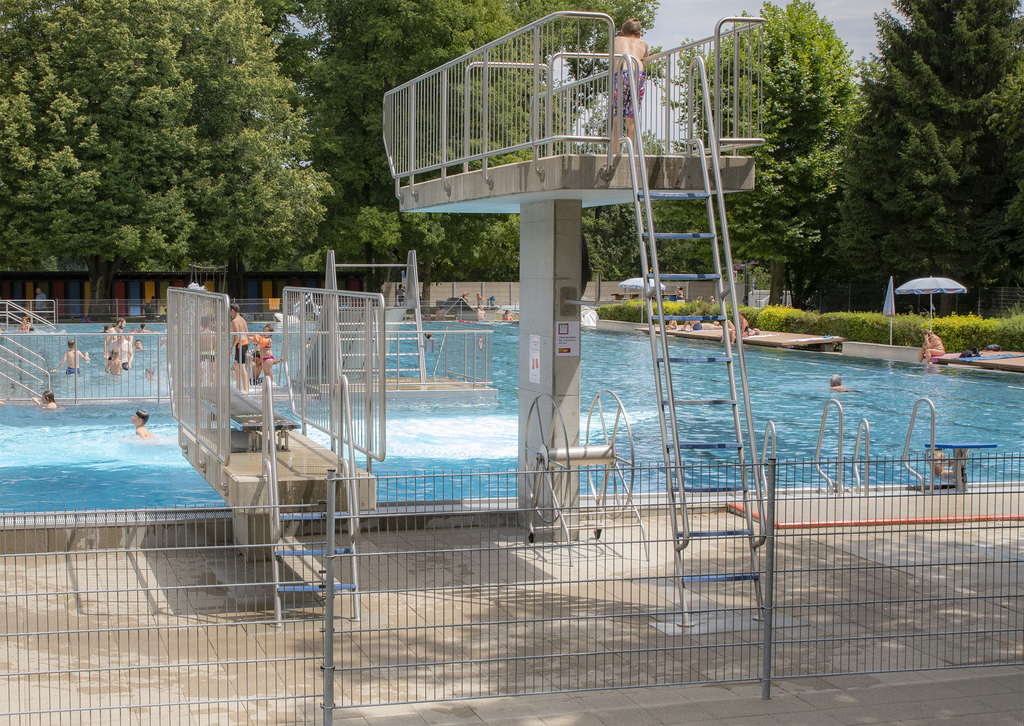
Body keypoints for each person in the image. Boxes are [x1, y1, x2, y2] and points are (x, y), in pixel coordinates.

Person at [612, 18, 648, 145]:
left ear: (622, 32)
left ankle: (615, 152)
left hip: (621, 75)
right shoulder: (642, 43)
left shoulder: (616, 40)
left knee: (616, 117)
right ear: (639, 35)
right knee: (631, 117)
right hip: (638, 75)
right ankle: (631, 152)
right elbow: (645, 59)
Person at [229, 302, 249, 389]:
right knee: (236, 365)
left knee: (242, 367)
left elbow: (236, 336)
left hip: (240, 344)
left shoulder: (234, 321)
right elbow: (247, 332)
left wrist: (231, 348)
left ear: (232, 310)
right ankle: (238, 386)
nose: (229, 314)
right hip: (244, 343)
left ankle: (245, 388)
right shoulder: (242, 319)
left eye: (229, 312)